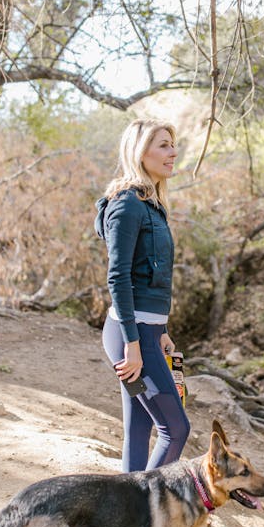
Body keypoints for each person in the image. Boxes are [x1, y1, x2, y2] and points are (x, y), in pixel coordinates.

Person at [94, 119, 190, 472]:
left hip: (147, 332)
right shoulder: (127, 204)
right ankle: (146, 513)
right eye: (163, 145)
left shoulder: (152, 204)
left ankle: (127, 516)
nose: (173, 152)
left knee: (140, 427)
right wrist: (133, 346)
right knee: (176, 429)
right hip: (130, 336)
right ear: (141, 151)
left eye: (172, 144)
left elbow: (149, 278)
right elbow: (117, 277)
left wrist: (161, 330)